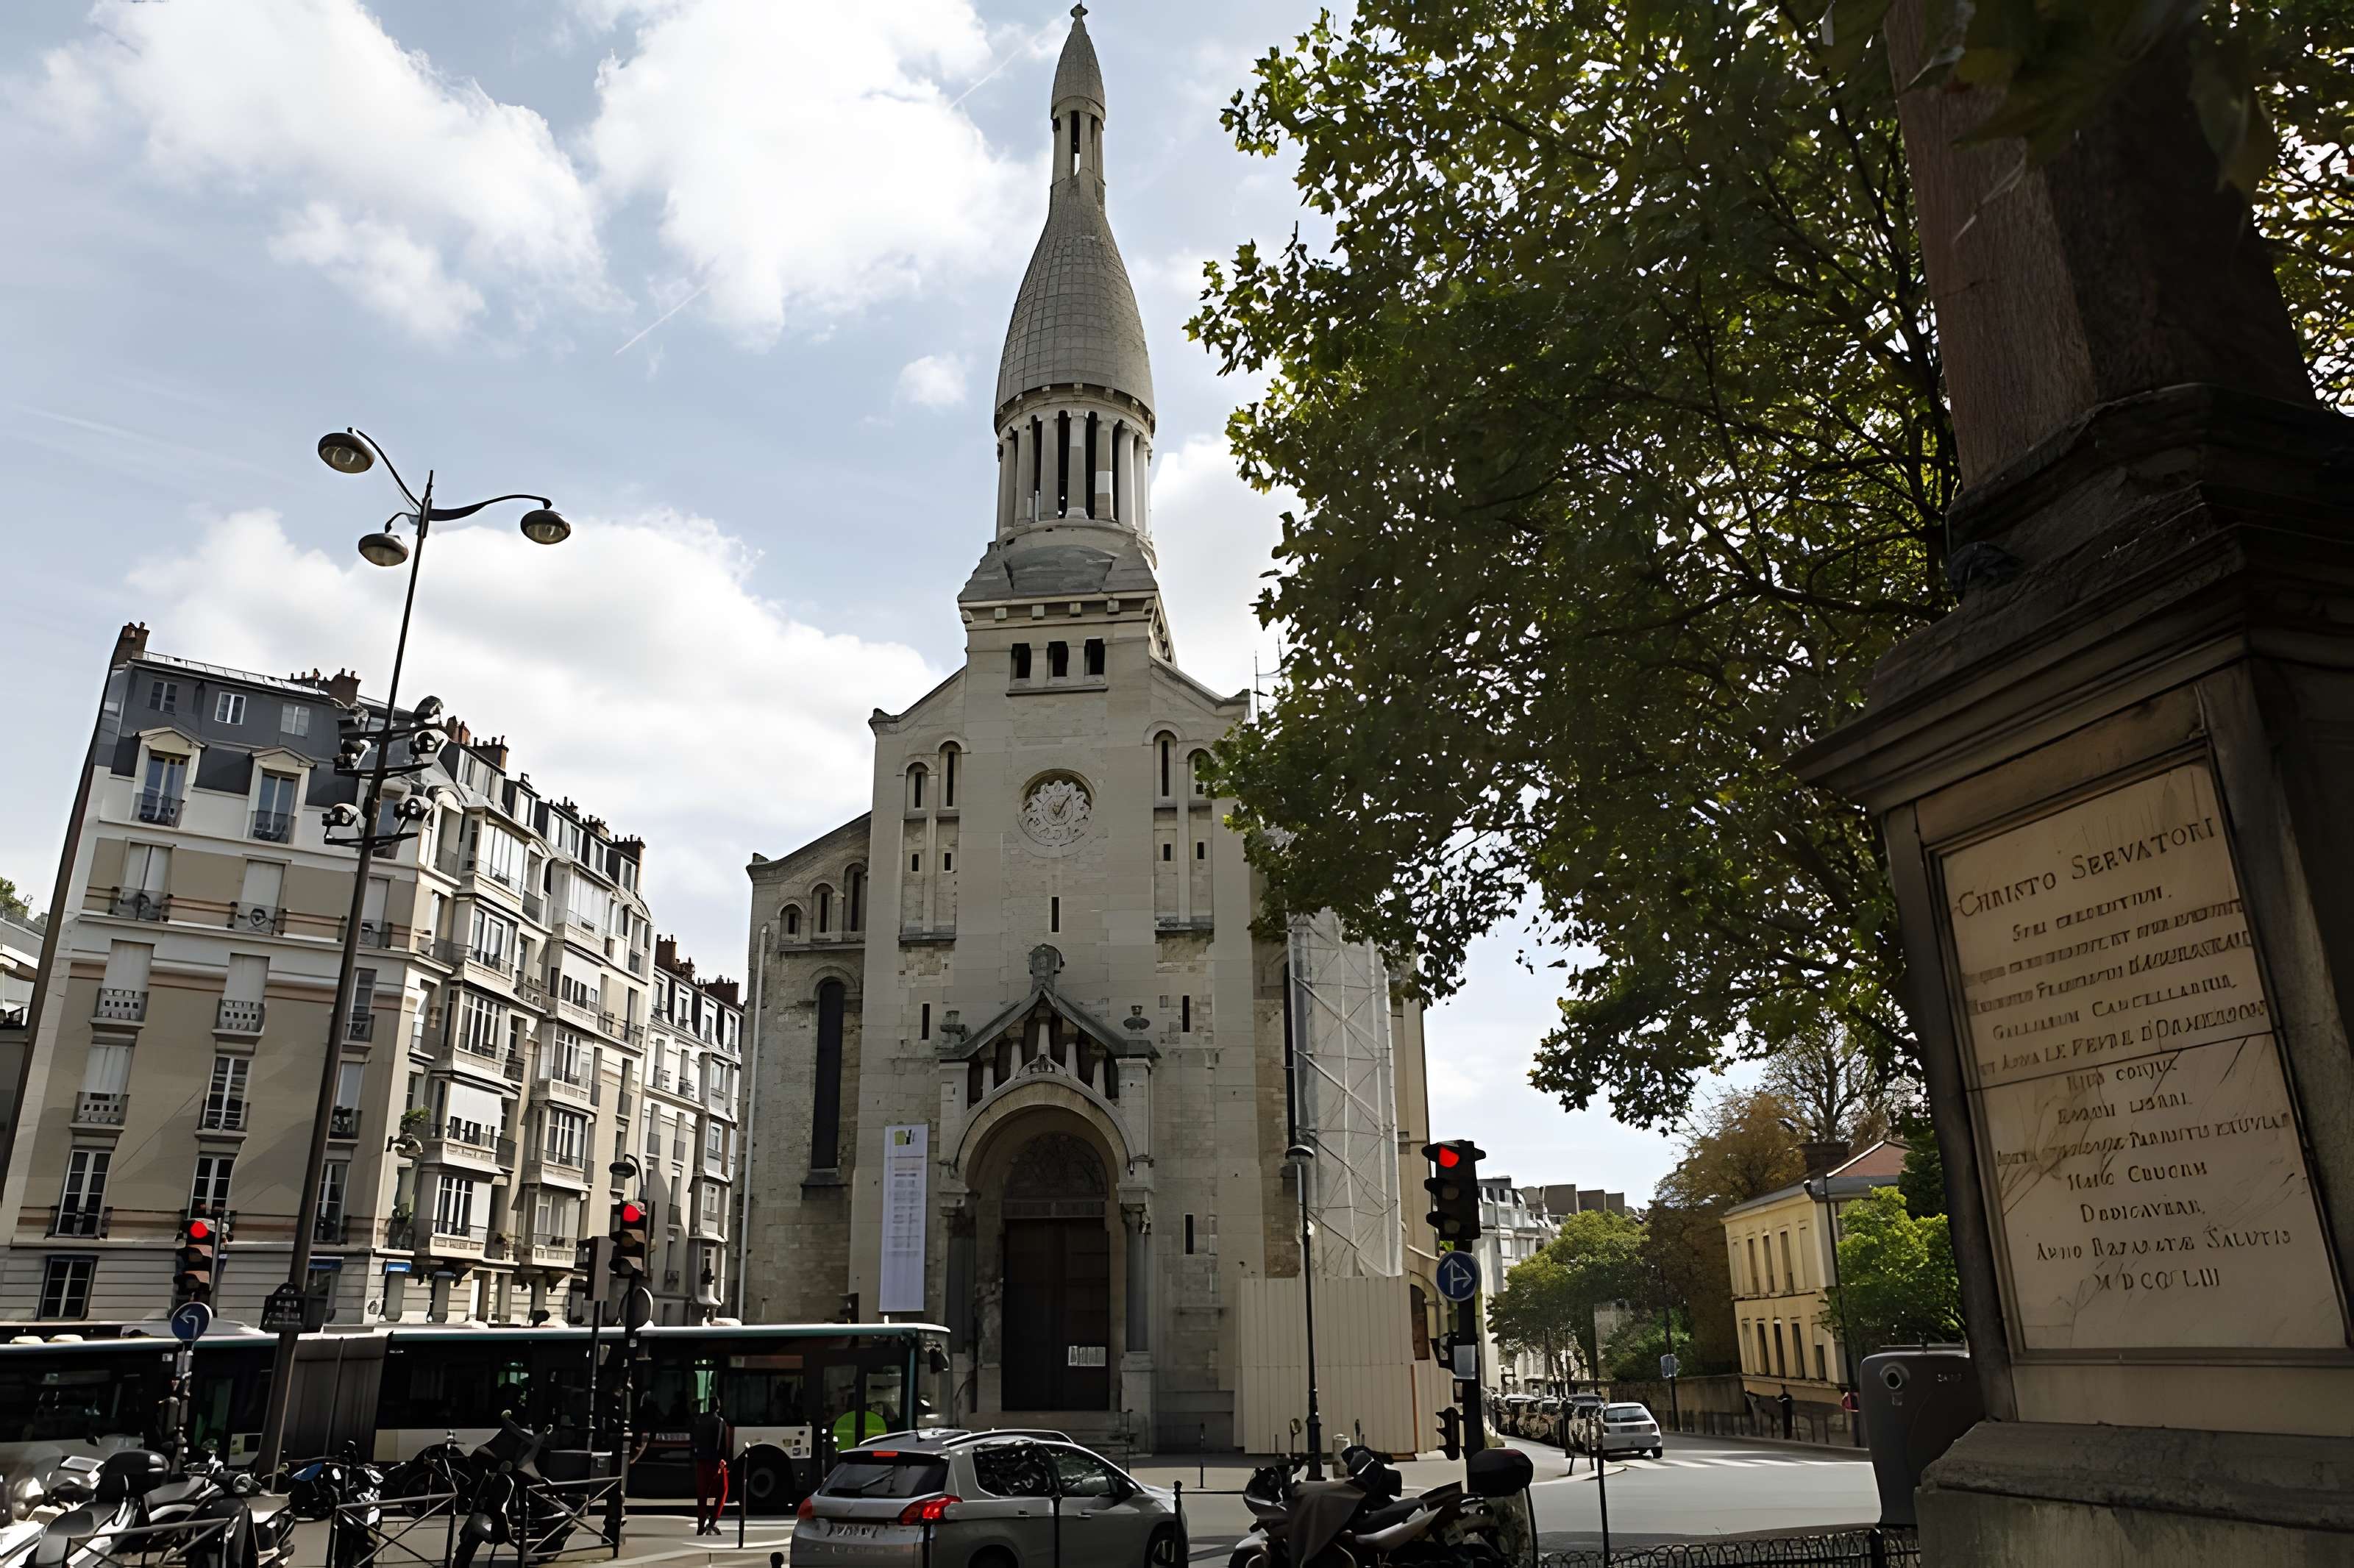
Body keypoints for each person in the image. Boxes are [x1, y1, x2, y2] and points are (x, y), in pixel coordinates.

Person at [690, 1395, 733, 1536]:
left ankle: (700, 1524)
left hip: (701, 1461)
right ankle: (712, 1522)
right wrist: (723, 1462)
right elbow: (722, 1445)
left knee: (702, 1495)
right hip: (715, 1463)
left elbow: (694, 1439)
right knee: (722, 1492)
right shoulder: (720, 1422)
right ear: (718, 1407)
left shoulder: (700, 1420)